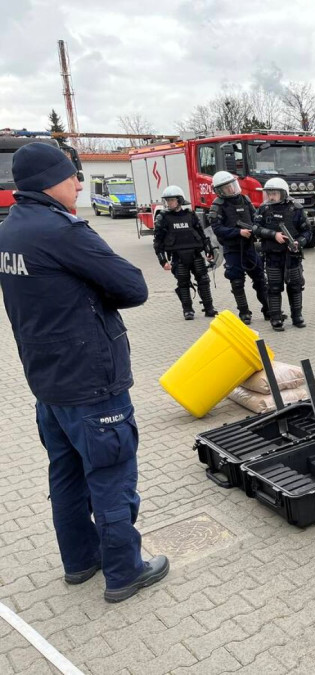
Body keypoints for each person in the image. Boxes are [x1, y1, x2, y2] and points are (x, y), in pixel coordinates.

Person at [0, 143, 169, 602]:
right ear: (49, 182)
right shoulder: (62, 231)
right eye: (72, 175)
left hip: (48, 384)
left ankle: (80, 561)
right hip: (91, 382)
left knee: (66, 475)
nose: (79, 182)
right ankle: (124, 572)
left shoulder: (10, 229)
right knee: (111, 477)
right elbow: (133, 287)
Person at [207, 171, 270, 325]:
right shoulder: (218, 205)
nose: (231, 189)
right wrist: (238, 232)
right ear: (220, 190)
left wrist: (257, 230)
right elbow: (217, 229)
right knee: (236, 281)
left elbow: (255, 217)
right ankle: (244, 312)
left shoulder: (245, 199)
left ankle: (269, 309)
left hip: (249, 247)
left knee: (261, 279)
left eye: (232, 185)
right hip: (232, 249)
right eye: (227, 187)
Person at [252, 177, 312, 330]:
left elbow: (307, 231)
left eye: (274, 194)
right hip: (272, 256)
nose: (271, 197)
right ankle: (276, 318)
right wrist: (273, 235)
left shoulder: (296, 209)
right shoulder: (264, 209)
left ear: (283, 193)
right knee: (273, 288)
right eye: (269, 193)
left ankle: (297, 316)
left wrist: (299, 242)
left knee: (295, 286)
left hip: (292, 256)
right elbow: (255, 229)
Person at [153, 185, 217, 320]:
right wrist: (163, 261)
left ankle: (209, 308)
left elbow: (202, 235)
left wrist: (208, 251)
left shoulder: (191, 215)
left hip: (195, 255)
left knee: (204, 280)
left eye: (171, 200)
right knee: (183, 283)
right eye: (167, 201)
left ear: (179, 200)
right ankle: (187, 310)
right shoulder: (163, 218)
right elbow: (158, 242)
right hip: (178, 257)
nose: (168, 203)